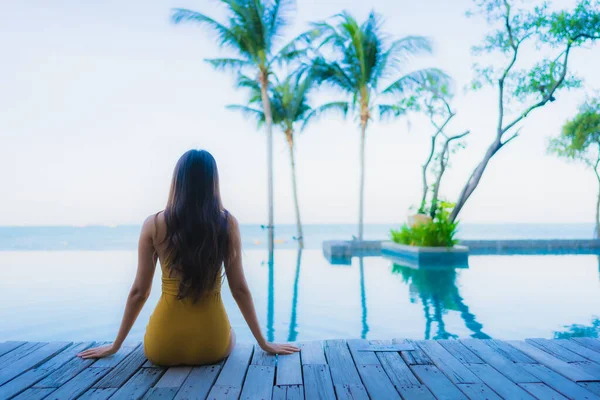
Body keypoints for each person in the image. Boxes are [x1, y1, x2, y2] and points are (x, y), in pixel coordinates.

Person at [77, 149, 299, 365]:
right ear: (213, 182)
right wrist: (264, 343)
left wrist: (115, 345)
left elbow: (139, 293)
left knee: (156, 332)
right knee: (231, 335)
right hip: (213, 344)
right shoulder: (227, 223)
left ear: (177, 182)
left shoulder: (153, 224)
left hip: (162, 346)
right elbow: (239, 289)